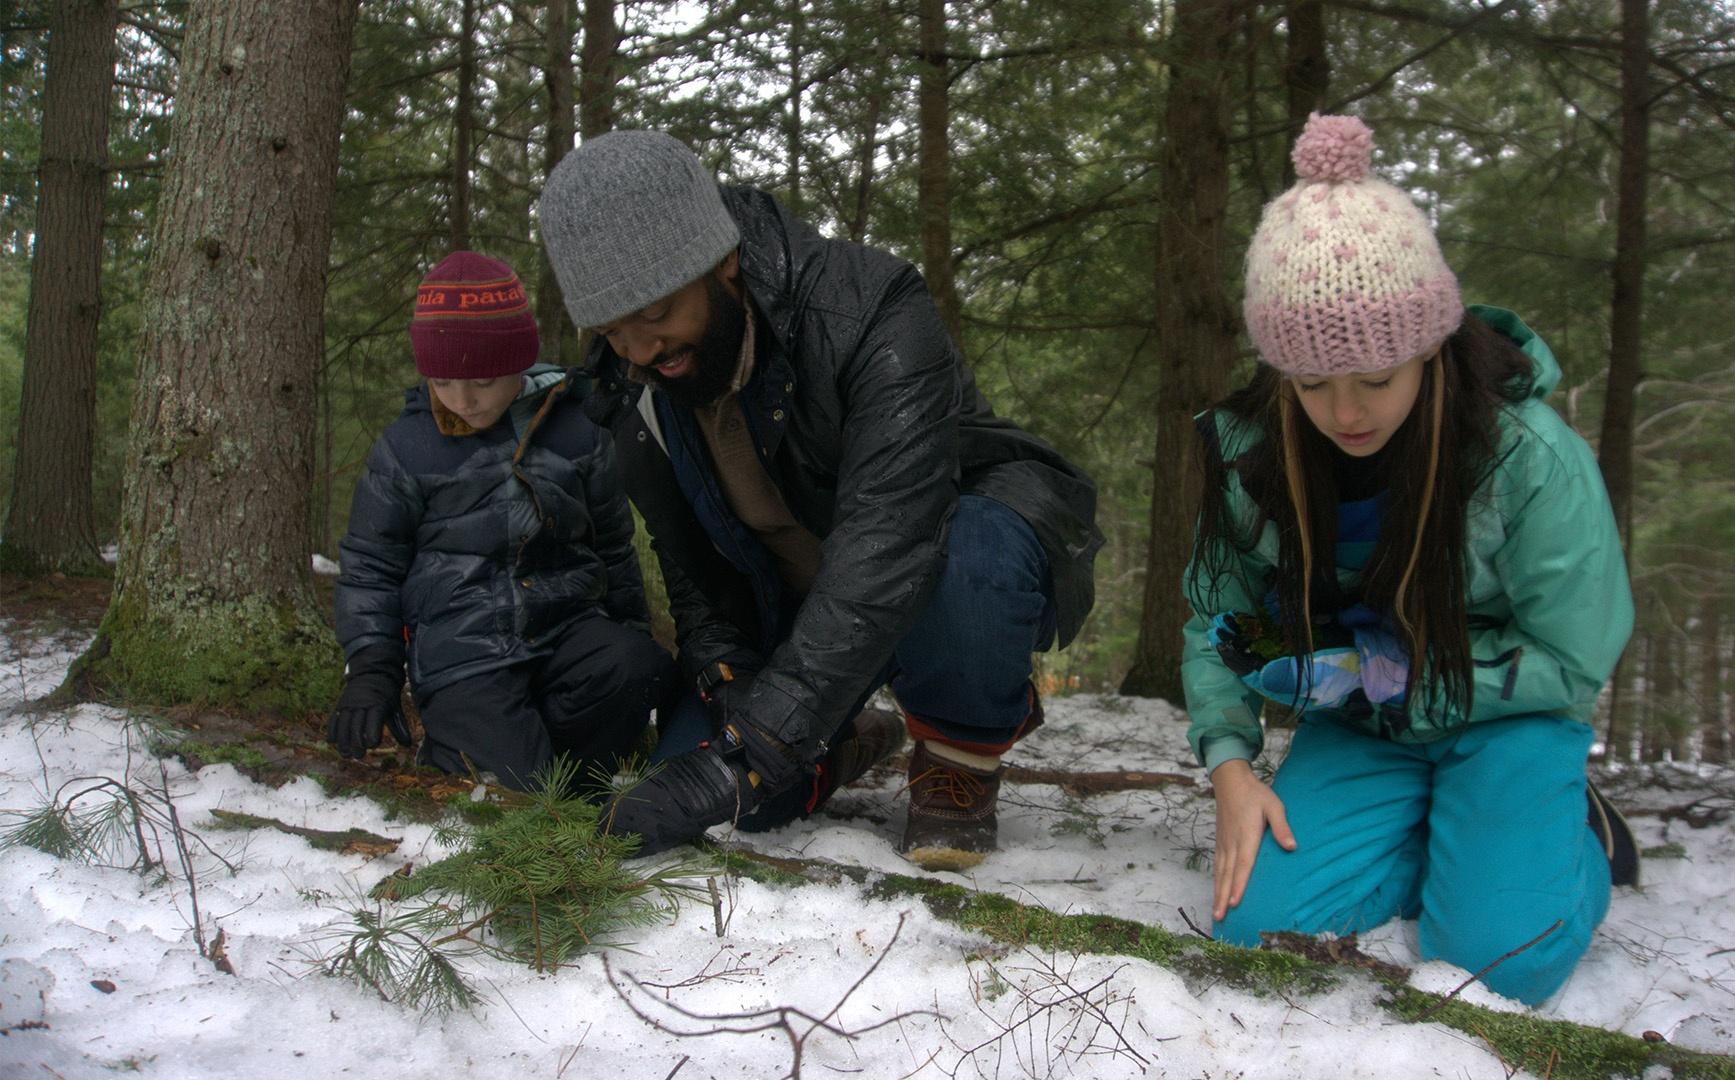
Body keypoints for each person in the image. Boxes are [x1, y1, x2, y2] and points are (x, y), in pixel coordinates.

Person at [535, 131, 1103, 865]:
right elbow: (688, 562)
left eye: (656, 313)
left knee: (971, 564)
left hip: (935, 560)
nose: (643, 350)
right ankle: (848, 742)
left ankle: (962, 742)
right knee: (729, 811)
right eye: (615, 330)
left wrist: (746, 755)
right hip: (798, 600)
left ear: (724, 260)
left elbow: (891, 539)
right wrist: (724, 674)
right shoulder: (630, 392)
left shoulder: (871, 307)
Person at [1182, 114, 1635, 1005]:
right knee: (1254, 929)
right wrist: (1232, 768)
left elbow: (1576, 655)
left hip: (1508, 716)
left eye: (1376, 378)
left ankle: (1577, 834)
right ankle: (1454, 832)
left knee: (1501, 963)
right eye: (1311, 384)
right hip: (1365, 724)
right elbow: (1222, 619)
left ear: (1430, 347)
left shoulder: (1527, 456)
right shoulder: (1255, 455)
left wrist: (1402, 686)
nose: (1345, 411)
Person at [330, 251, 678, 791]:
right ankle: (494, 759)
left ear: (519, 362)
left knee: (633, 666)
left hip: (566, 630)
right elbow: (371, 566)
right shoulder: (407, 448)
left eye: (485, 380)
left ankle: (571, 780)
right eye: (443, 381)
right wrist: (373, 667)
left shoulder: (578, 431)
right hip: (465, 654)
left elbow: (612, 545)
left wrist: (630, 639)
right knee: (513, 788)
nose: (464, 399)